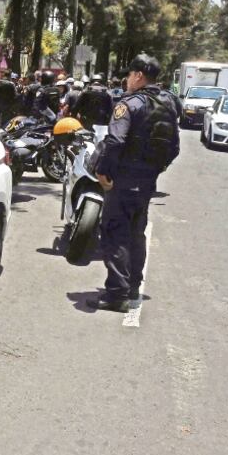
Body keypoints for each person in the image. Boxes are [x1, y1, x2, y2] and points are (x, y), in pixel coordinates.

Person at [88, 54, 180, 313]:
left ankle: (116, 294)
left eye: (129, 75)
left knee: (115, 233)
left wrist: (104, 172)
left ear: (138, 75)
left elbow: (115, 141)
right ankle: (132, 286)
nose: (127, 80)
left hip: (123, 181)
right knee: (136, 235)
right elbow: (174, 147)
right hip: (146, 182)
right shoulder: (168, 104)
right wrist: (155, 170)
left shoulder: (129, 104)